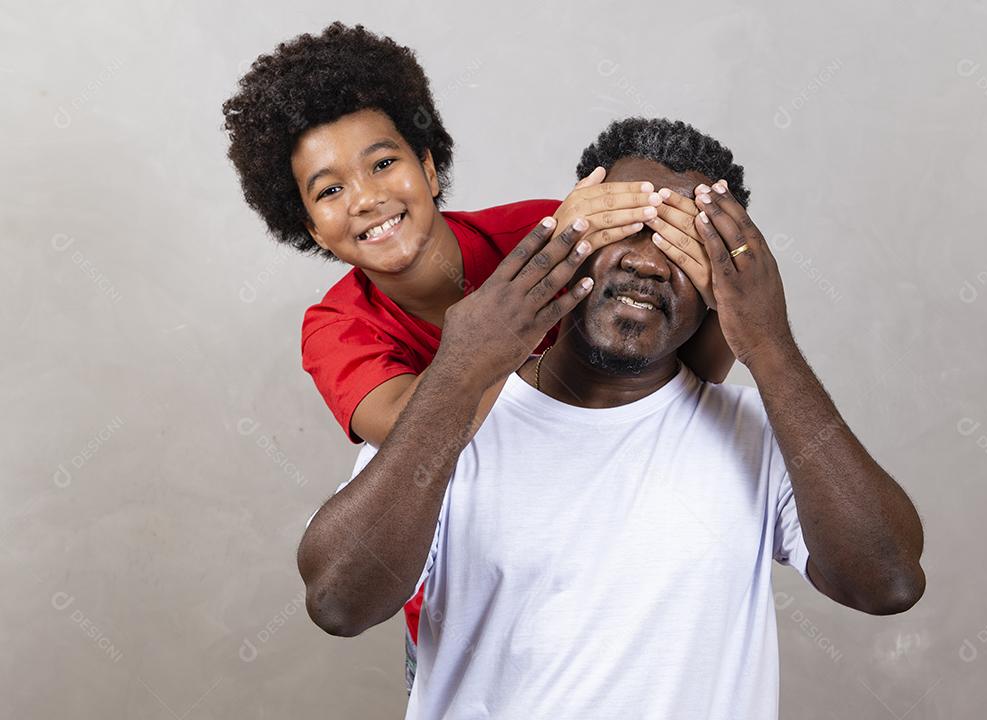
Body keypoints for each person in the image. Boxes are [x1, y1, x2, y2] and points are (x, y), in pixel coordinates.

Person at [297, 121, 926, 718]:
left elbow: (888, 581)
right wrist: (464, 367)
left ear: (717, 284)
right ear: (572, 239)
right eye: (626, 226)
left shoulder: (761, 435)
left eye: (682, 243)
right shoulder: (448, 426)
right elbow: (338, 601)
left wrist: (768, 341)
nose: (647, 262)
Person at [222, 22, 738, 685]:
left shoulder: (535, 226)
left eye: (384, 163)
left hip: (602, 553)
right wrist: (556, 256)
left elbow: (689, 371)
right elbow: (419, 430)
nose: (368, 198)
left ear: (430, 166)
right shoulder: (338, 327)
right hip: (470, 586)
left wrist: (715, 271)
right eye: (328, 191)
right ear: (308, 226)